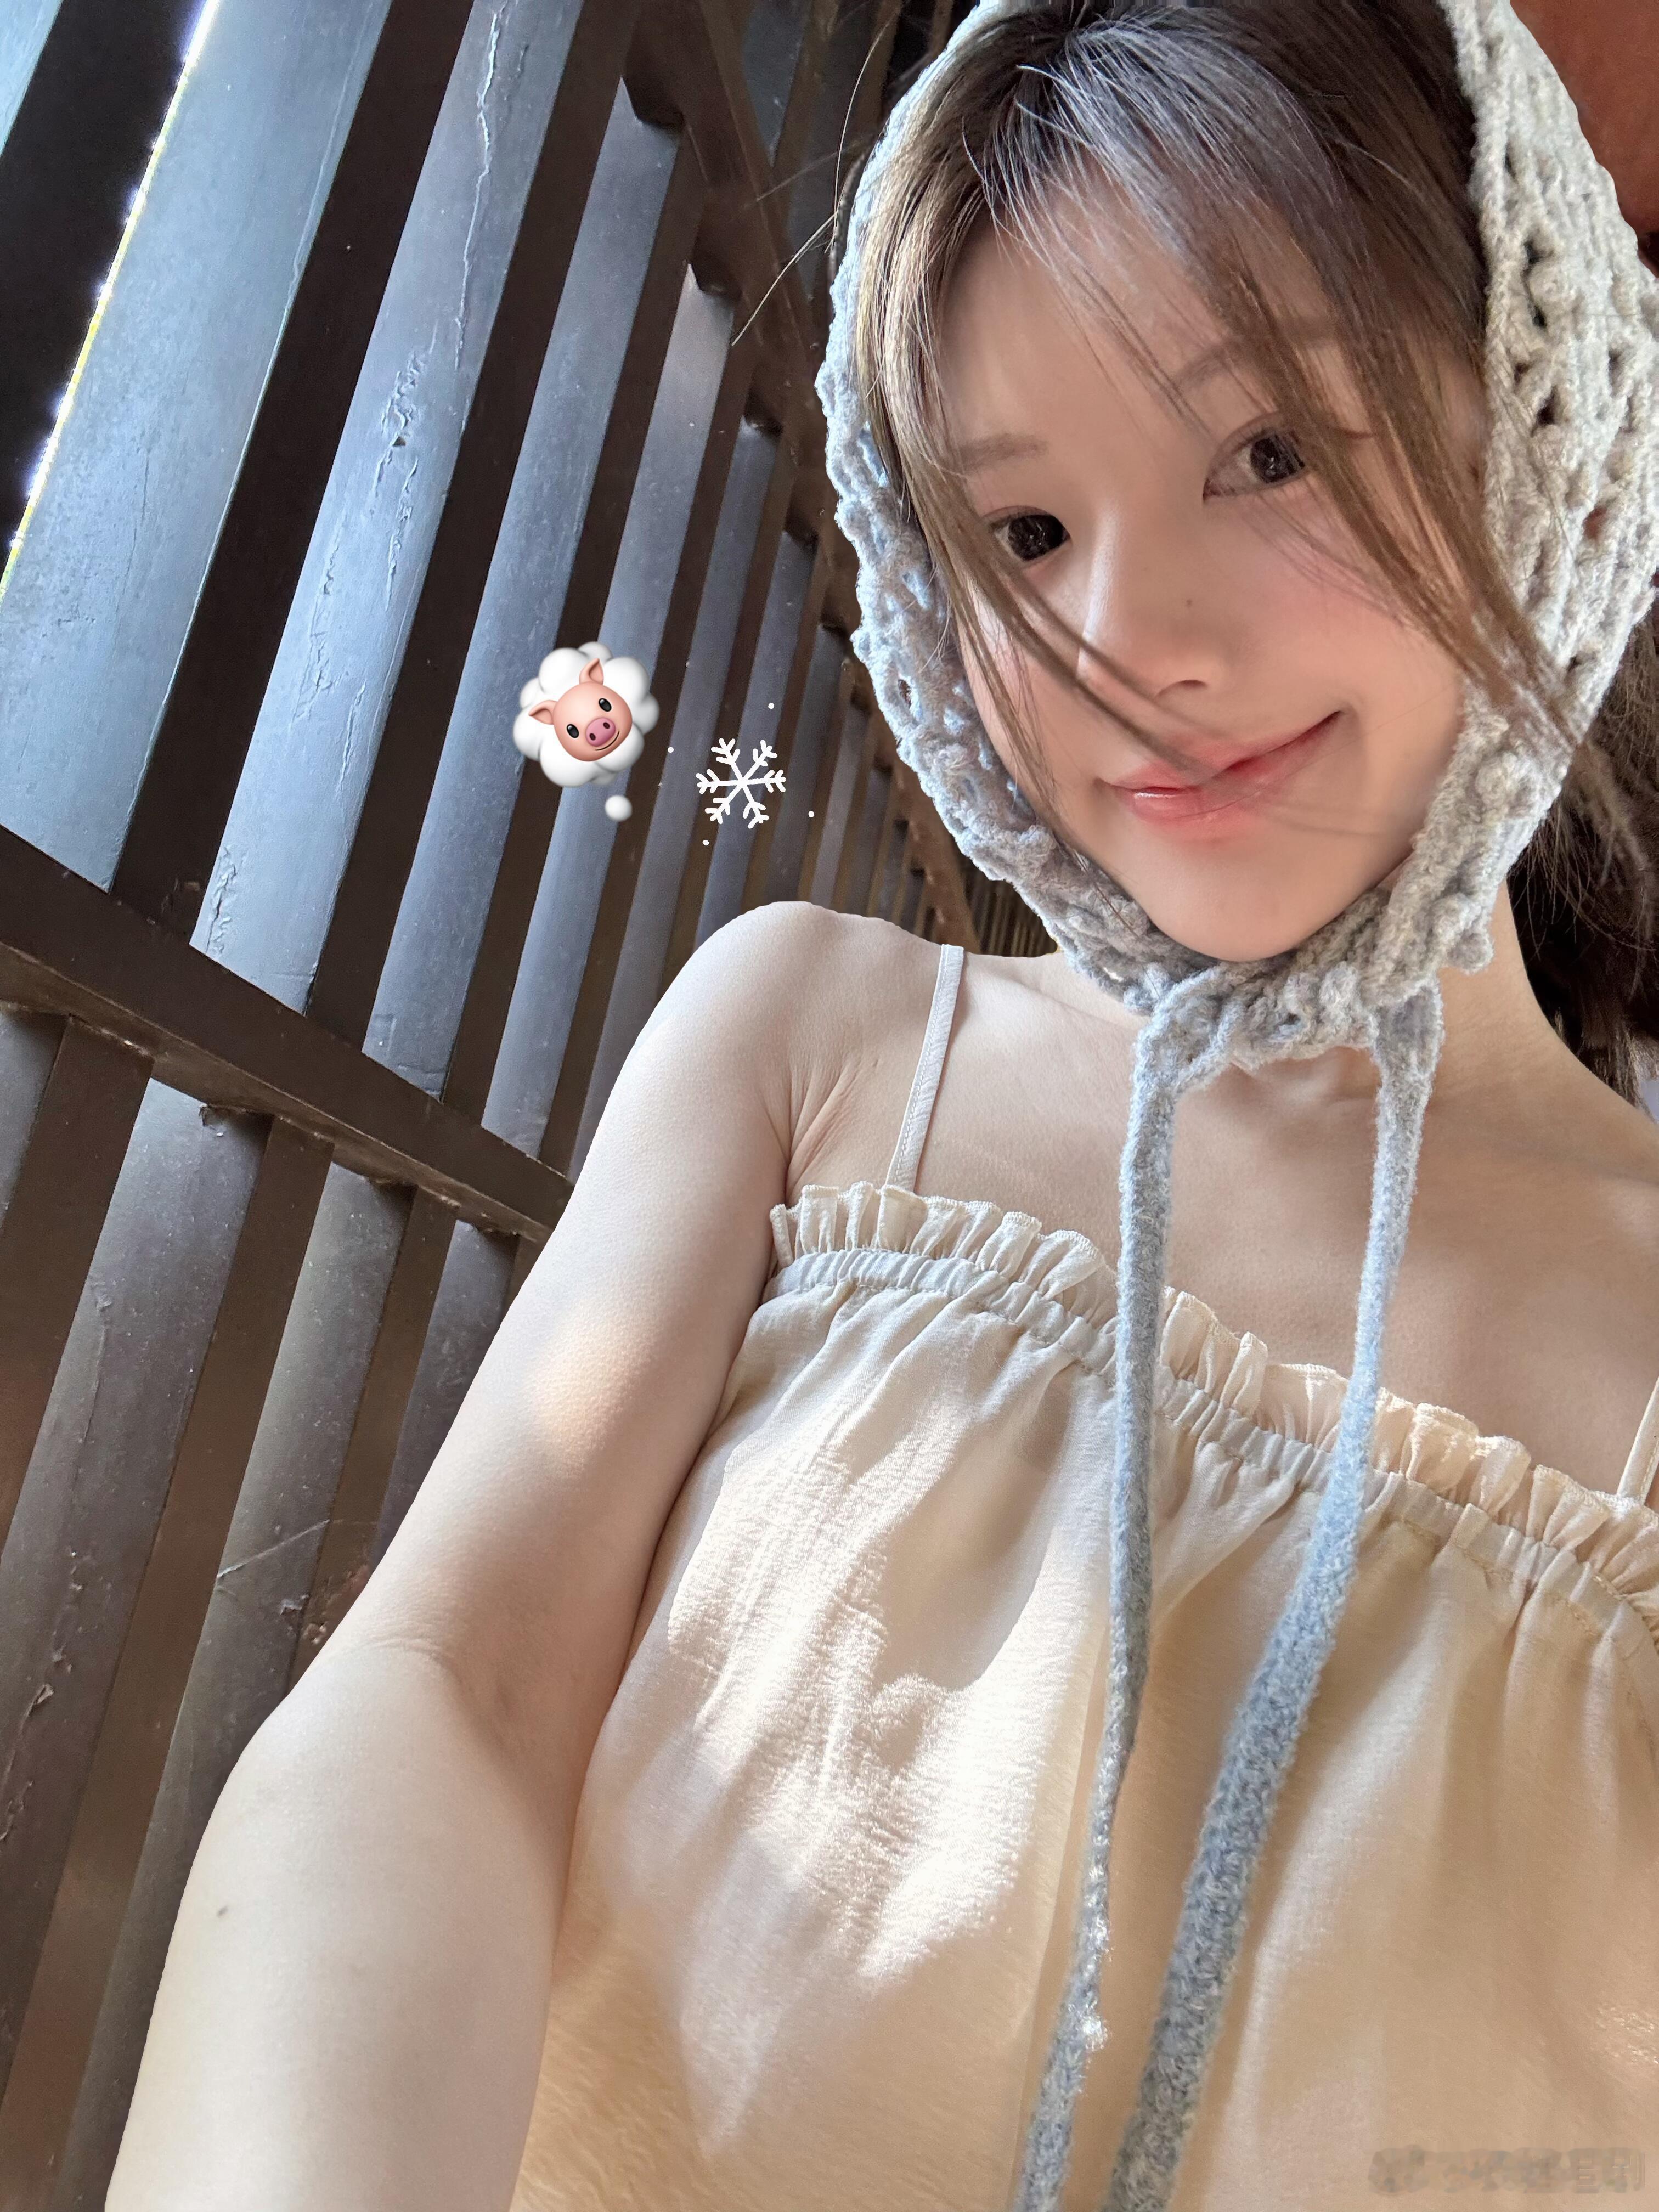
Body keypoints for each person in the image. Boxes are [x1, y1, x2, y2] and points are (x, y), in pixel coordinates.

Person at [109, 1, 1659, 2208]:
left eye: (1268, 452)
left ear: (1546, 421)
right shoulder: (818, 1039)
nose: (1136, 638)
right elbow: (447, 1686)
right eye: (1021, 528)